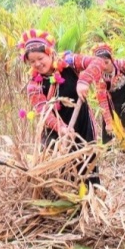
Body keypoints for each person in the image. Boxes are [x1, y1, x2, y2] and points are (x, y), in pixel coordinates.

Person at [19, 29, 104, 185]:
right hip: (55, 131)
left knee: (87, 164)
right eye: (32, 61)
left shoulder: (69, 61)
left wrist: (84, 80)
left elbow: (97, 62)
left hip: (81, 122)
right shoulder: (33, 84)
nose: (37, 64)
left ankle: (89, 203)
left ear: (50, 54)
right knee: (60, 170)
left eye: (40, 58)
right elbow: (43, 111)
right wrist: (61, 128)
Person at [92, 43, 125, 143]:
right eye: (100, 64)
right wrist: (108, 122)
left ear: (111, 59)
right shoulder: (99, 77)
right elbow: (102, 101)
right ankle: (110, 153)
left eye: (106, 62)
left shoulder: (121, 64)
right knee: (109, 130)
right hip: (111, 101)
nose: (104, 66)